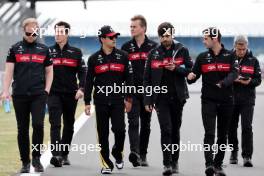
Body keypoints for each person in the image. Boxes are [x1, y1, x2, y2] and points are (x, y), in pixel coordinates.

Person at [1, 18, 53, 173]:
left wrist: (47, 91)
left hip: (38, 94)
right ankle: (25, 162)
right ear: (24, 31)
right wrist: (5, 91)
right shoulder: (14, 49)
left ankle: (36, 159)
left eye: (34, 32)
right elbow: (9, 72)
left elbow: (50, 71)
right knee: (22, 128)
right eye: (29, 33)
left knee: (38, 125)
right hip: (20, 95)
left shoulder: (44, 49)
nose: (31, 35)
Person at [187, 27, 238, 176]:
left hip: (227, 101)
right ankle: (209, 165)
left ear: (215, 39)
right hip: (208, 101)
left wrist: (223, 83)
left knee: (223, 135)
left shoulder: (230, 55)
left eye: (206, 39)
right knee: (209, 133)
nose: (203, 41)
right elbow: (193, 76)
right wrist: (190, 77)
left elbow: (235, 73)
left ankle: (218, 165)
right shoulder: (202, 57)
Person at [143, 22, 193, 175]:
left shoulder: (182, 50)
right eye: (162, 36)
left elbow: (191, 71)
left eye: (168, 35)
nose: (165, 39)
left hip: (178, 97)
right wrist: (147, 100)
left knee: (175, 131)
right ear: (159, 37)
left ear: (173, 35)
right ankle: (167, 164)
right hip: (160, 98)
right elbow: (147, 79)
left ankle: (175, 161)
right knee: (166, 129)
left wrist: (176, 69)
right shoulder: (153, 53)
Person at [84, 25, 133, 174]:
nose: (114, 39)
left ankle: (117, 154)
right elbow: (88, 82)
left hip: (118, 101)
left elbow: (129, 79)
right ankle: (106, 164)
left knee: (120, 130)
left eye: (115, 36)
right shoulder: (93, 59)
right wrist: (87, 102)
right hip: (101, 102)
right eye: (111, 37)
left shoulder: (124, 56)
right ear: (102, 39)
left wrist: (129, 99)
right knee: (102, 133)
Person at [48, 21, 87, 167]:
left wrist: (81, 88)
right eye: (56, 32)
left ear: (67, 34)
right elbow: (42, 72)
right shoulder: (48, 51)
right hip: (53, 94)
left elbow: (83, 71)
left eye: (61, 32)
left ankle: (64, 154)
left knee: (69, 125)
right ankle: (56, 155)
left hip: (71, 94)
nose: (57, 35)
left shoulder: (76, 52)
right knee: (55, 124)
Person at [121, 15, 157, 167]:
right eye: (130, 27)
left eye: (134, 26)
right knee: (132, 122)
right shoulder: (125, 48)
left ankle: (143, 154)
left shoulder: (154, 47)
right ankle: (134, 153)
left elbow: (157, 73)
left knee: (146, 124)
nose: (131, 29)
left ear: (143, 28)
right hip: (131, 92)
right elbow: (122, 73)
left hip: (148, 92)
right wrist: (124, 95)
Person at [228, 35, 261, 167]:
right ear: (235, 46)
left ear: (246, 46)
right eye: (239, 48)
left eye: (243, 49)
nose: (241, 51)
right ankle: (233, 153)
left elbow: (258, 80)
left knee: (247, 127)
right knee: (231, 127)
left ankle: (247, 156)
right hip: (231, 98)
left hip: (247, 99)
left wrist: (249, 82)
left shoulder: (253, 60)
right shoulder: (228, 58)